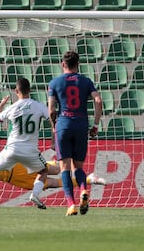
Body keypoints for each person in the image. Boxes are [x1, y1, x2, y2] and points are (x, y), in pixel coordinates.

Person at [0, 77, 51, 210]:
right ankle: (34, 194)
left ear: (16, 91)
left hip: (11, 149)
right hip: (30, 150)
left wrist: (1, 104)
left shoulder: (12, 107)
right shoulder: (39, 106)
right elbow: (51, 117)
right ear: (30, 90)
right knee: (44, 170)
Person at [48, 51, 103, 216]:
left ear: (63, 64)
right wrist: (95, 125)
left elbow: (51, 110)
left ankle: (71, 205)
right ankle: (84, 190)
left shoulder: (55, 82)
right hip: (81, 125)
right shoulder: (86, 81)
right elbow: (98, 100)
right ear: (78, 64)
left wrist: (53, 127)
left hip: (63, 125)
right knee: (78, 167)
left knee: (65, 167)